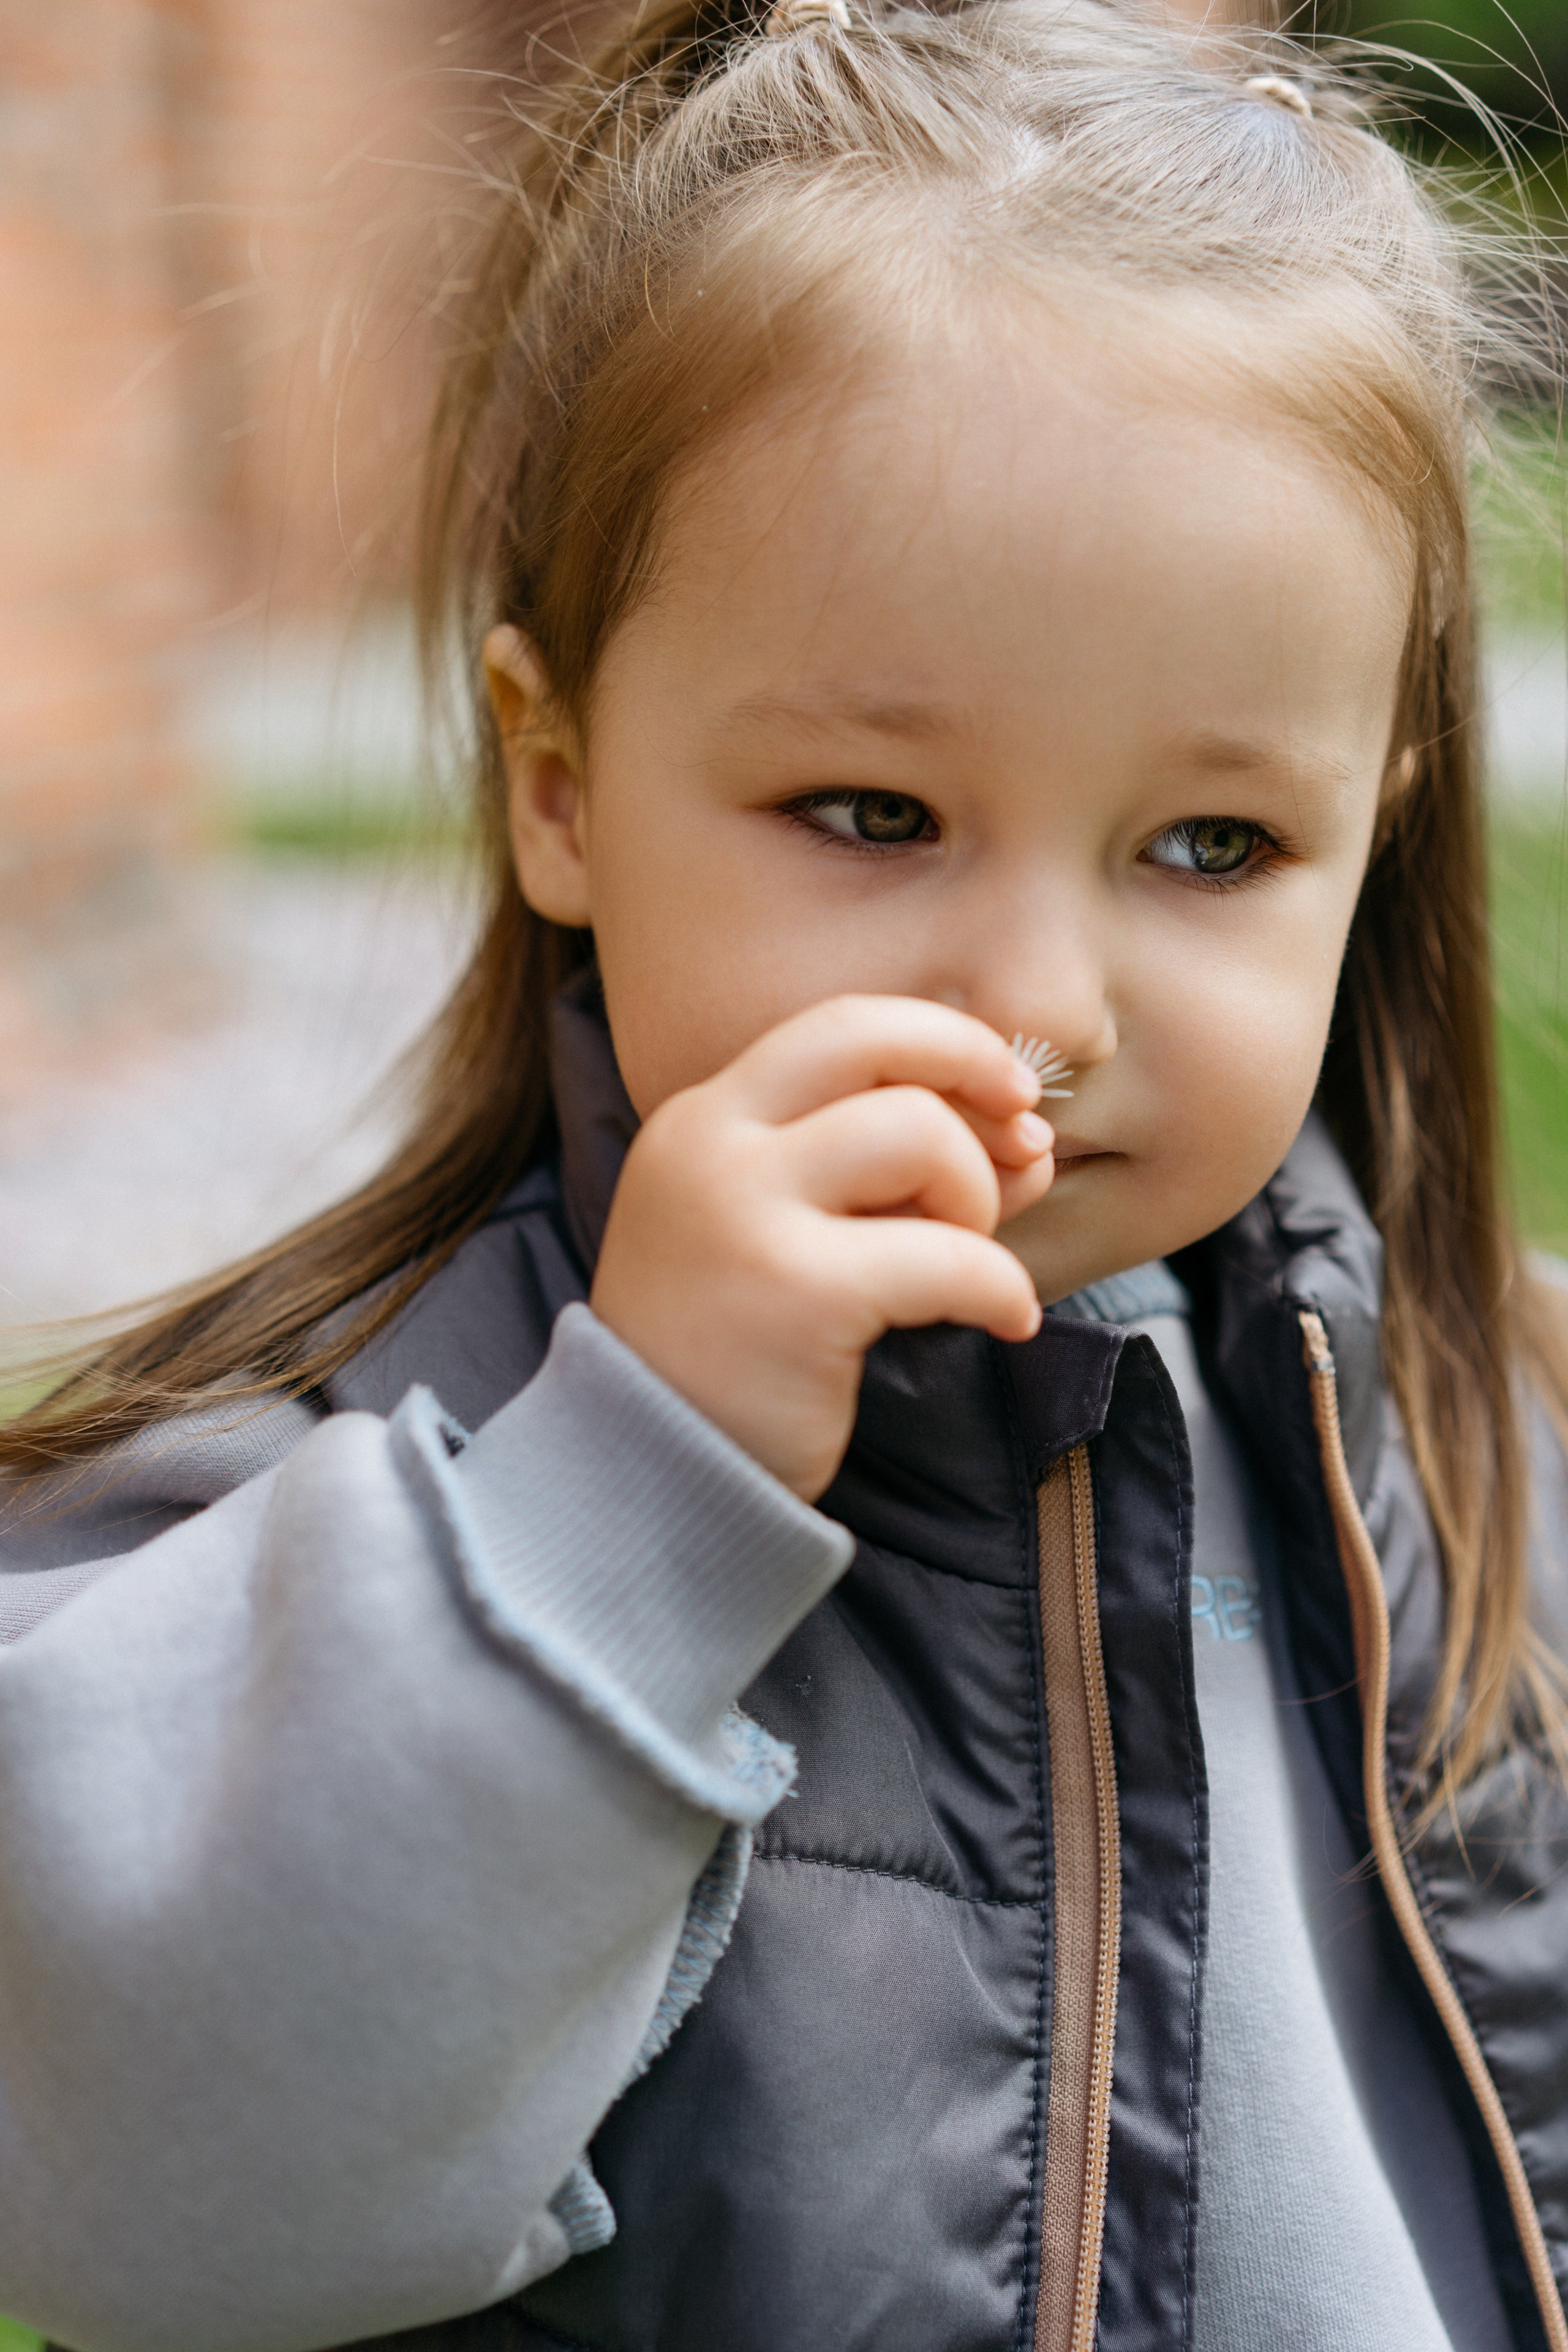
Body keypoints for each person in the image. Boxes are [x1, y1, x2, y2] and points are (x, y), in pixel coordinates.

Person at [2, 1, 1567, 2346]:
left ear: (1379, 835)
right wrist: (629, 1497)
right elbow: (133, 2196)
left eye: (1214, 844)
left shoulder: (1480, 1420)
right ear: (558, 786)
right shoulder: (311, 1498)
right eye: (871, 816)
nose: (1044, 999)